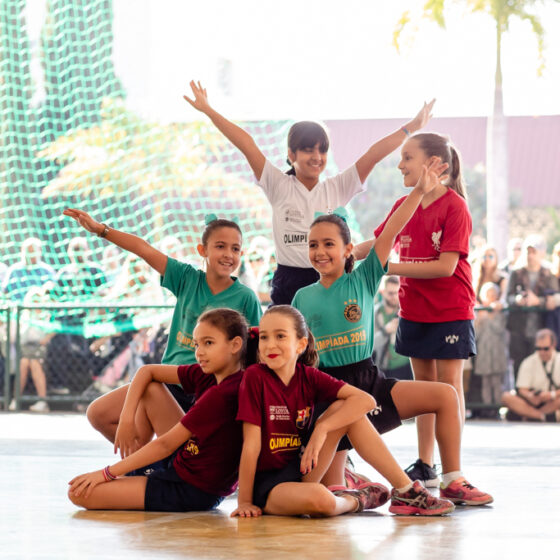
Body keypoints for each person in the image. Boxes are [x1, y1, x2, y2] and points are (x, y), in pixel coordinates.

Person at [292, 166, 492, 503]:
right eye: (313, 245)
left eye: (328, 244)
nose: (320, 251)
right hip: (331, 393)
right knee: (327, 494)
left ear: (348, 249)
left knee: (446, 395)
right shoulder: (301, 297)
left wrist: (419, 192)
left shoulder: (364, 277)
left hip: (369, 383)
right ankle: (359, 487)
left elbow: (392, 231)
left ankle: (452, 480)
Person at [184, 80, 435, 305]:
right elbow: (246, 144)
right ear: (291, 154)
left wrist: (411, 127)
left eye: (322, 150)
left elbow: (373, 154)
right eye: (308, 150)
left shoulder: (338, 186)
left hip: (329, 281)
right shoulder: (278, 184)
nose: (317, 157)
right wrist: (209, 110)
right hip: (287, 284)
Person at [233, 305, 457, 518]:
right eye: (264, 337)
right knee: (321, 499)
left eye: (280, 336)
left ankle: (406, 491)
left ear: (300, 344)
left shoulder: (308, 376)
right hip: (272, 486)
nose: (270, 345)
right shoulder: (255, 377)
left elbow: (366, 401)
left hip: (302, 469)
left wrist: (322, 428)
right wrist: (244, 502)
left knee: (345, 408)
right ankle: (357, 499)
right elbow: (251, 445)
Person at [63, 209, 262, 446]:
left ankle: (159, 462)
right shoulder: (186, 278)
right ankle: (146, 463)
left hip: (209, 390)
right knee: (98, 413)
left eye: (235, 249)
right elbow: (144, 249)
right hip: (168, 382)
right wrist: (101, 230)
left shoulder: (246, 297)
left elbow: (255, 351)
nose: (228, 254)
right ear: (202, 250)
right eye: (220, 246)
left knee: (180, 451)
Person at [351, 133, 476, 485]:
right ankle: (425, 464)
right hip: (413, 309)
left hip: (450, 310)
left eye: (407, 157)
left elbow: (445, 267)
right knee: (425, 389)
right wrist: (345, 250)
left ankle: (453, 471)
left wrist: (386, 268)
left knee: (449, 388)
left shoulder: (455, 207)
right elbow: (380, 243)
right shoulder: (403, 205)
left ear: (435, 164)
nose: (399, 165)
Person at [68, 309, 252, 511]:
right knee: (151, 387)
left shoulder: (223, 394)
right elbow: (147, 371)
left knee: (79, 494)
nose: (199, 352)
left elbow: (165, 445)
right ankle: (138, 472)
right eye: (196, 344)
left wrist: (106, 473)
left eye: (208, 343)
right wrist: (127, 419)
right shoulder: (208, 374)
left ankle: (137, 473)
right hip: (184, 461)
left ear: (235, 344)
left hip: (192, 489)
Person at [506, 234, 559, 379]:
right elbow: (508, 298)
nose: (530, 255)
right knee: (519, 366)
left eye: (533, 252)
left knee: (539, 368)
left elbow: (553, 299)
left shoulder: (548, 274)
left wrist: (538, 301)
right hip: (519, 329)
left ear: (541, 253)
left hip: (541, 328)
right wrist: (517, 300)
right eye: (528, 251)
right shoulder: (516, 273)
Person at [501, 329, 560, 422]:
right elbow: (522, 389)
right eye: (538, 348)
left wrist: (552, 395)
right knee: (506, 397)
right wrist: (530, 396)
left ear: (554, 345)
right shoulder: (528, 362)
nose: (542, 352)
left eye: (546, 349)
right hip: (532, 402)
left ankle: (530, 415)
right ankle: (543, 416)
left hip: (553, 401)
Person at [472, 283, 509, 414]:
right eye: (488, 295)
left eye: (494, 295)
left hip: (497, 352)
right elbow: (476, 335)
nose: (491, 297)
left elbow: (499, 329)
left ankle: (497, 408)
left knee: (497, 382)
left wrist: (492, 316)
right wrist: (479, 322)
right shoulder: (479, 313)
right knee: (486, 382)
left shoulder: (500, 312)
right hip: (484, 353)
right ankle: (487, 408)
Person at [373, 276, 413, 380]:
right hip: (386, 369)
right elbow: (370, 345)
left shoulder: (406, 310)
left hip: (408, 366)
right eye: (391, 293)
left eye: (397, 293)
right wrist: (385, 331)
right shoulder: (374, 314)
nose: (394, 297)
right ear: (383, 292)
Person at [2, 237, 55, 303]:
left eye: (33, 251)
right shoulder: (13, 270)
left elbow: (54, 295)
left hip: (38, 309)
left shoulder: (47, 271)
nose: (30, 255)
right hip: (16, 308)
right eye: (28, 251)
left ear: (40, 251)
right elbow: (5, 293)